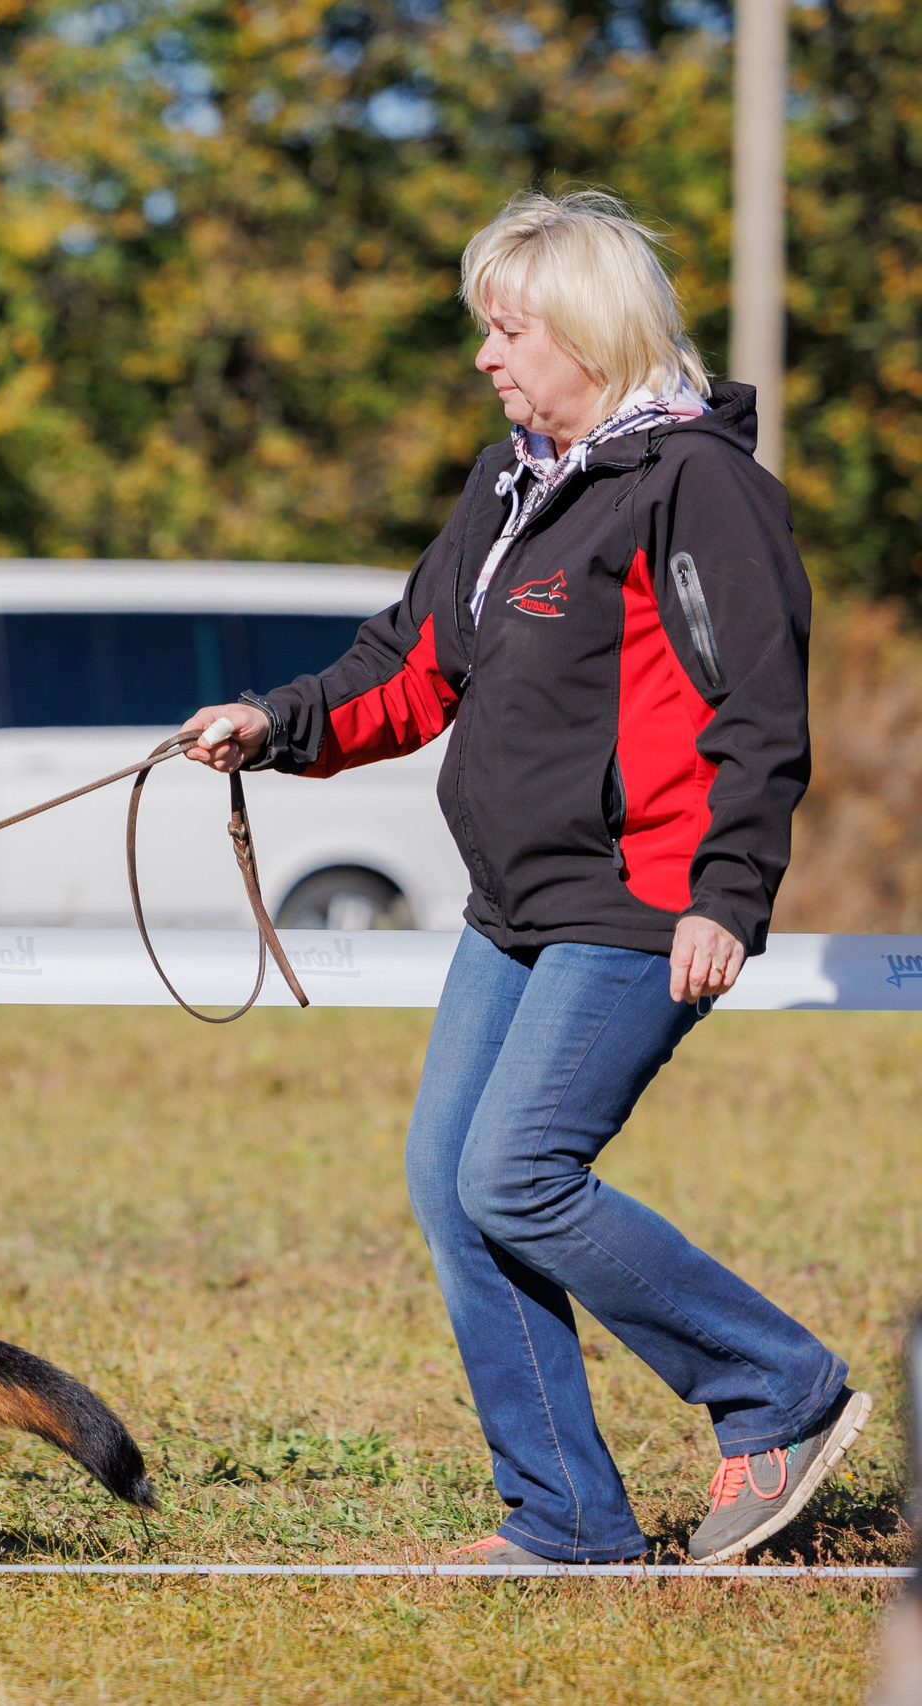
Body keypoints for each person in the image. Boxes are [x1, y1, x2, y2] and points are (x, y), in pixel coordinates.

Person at [183, 189, 867, 1565]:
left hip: (640, 900)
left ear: (589, 330)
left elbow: (763, 710)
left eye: (508, 330)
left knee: (519, 1170)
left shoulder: (698, 485)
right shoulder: (512, 483)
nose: (488, 357)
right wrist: (278, 724)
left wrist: (728, 892)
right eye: (484, 330)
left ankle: (777, 1390)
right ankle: (565, 1513)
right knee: (451, 1178)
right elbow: (412, 661)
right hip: (515, 906)